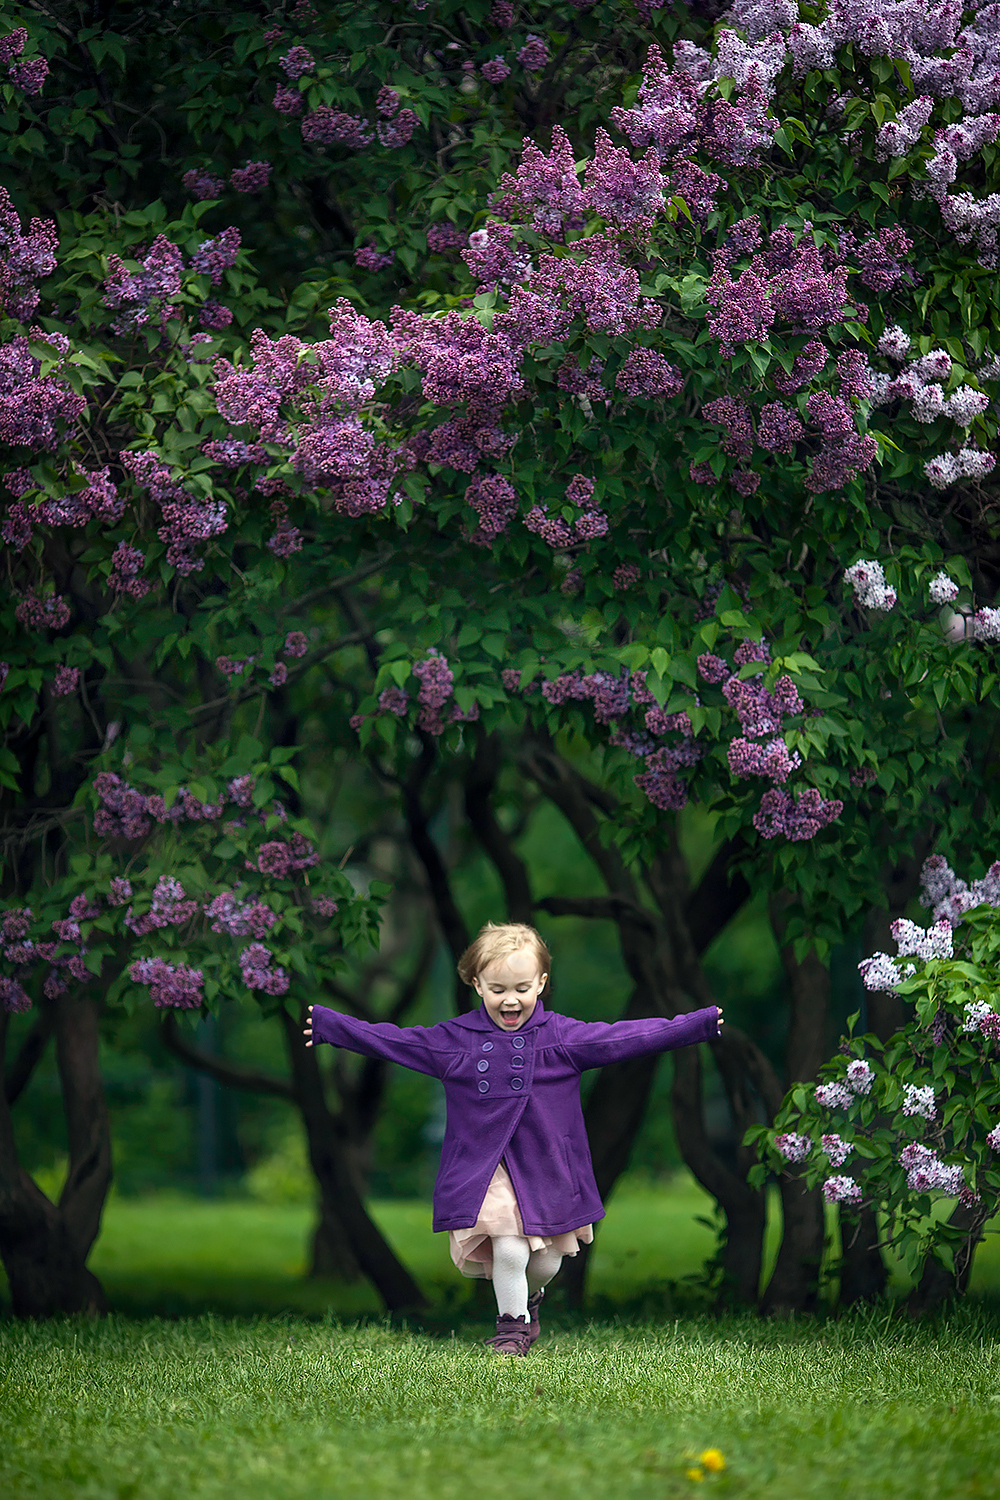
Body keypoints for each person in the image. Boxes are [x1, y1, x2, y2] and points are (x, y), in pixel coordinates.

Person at [304, 920, 723, 1356]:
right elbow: (396, 1041)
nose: (510, 999)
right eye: (497, 988)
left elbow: (626, 1037)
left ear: (541, 983)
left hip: (546, 1167)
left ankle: (529, 1300)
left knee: (544, 1261)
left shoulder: (560, 1037)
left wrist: (694, 1026)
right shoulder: (457, 1041)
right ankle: (511, 1331)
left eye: (521, 987)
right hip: (485, 1168)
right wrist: (335, 1027)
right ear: (476, 983)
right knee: (508, 1247)